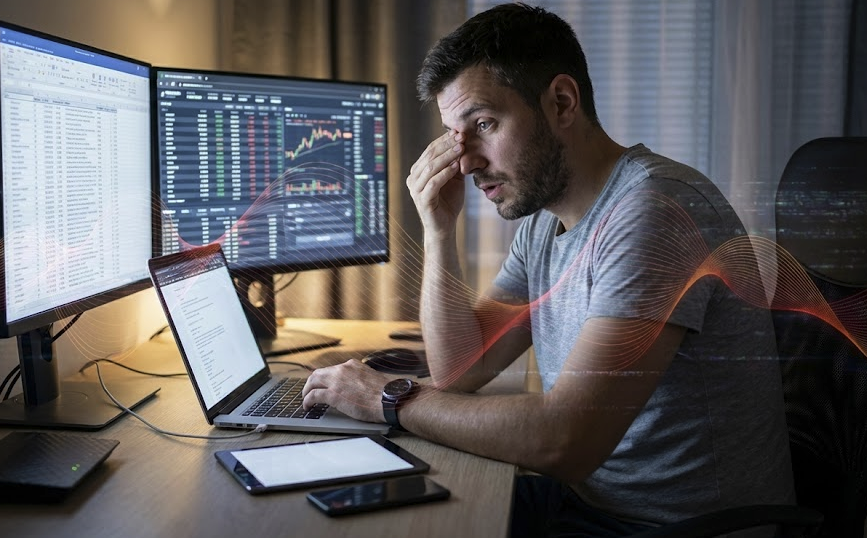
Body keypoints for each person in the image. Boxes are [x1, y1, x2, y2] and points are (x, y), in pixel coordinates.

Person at [301, 3, 794, 536]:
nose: (465, 163)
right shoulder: (544, 224)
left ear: (561, 102)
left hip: (670, 526)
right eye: (454, 136)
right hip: (591, 505)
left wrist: (387, 398)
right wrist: (440, 232)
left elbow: (565, 440)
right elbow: (460, 369)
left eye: (484, 124)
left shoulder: (657, 210)